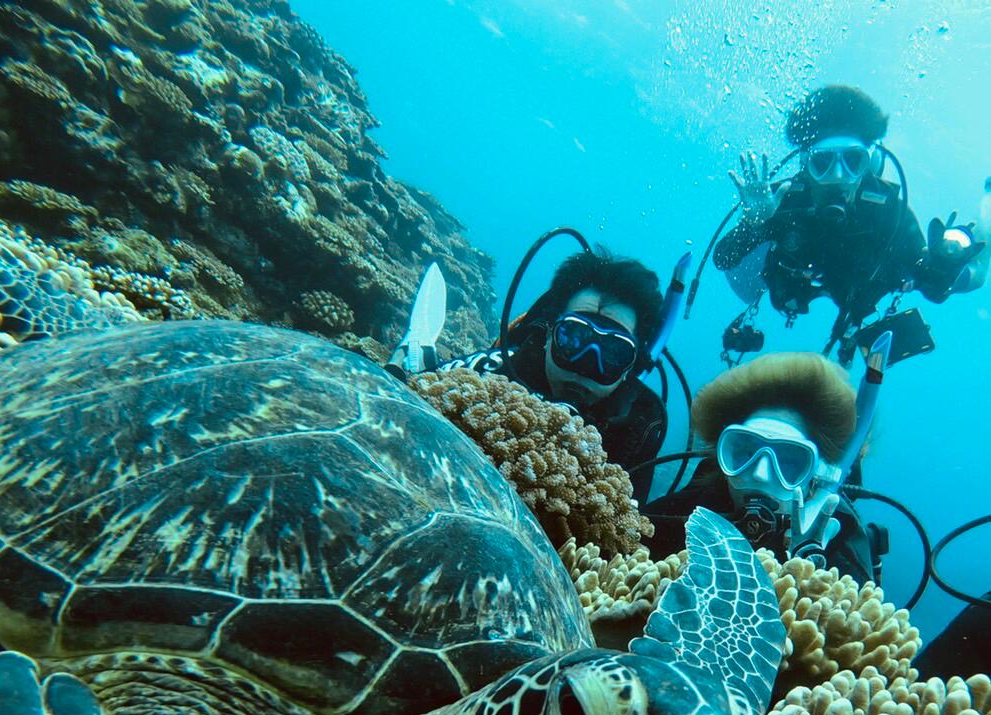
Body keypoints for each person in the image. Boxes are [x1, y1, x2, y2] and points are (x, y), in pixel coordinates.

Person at [713, 85, 985, 362]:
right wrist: (754, 224)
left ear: (867, 164)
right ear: (806, 165)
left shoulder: (889, 211)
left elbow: (934, 289)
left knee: (964, 276)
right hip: (795, 286)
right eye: (822, 162)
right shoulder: (783, 200)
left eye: (853, 161)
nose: (838, 176)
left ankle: (984, 243)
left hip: (861, 290)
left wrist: (945, 263)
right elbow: (723, 258)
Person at [413, 249, 671, 503]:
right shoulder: (497, 368)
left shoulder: (639, 428)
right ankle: (416, 350)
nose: (585, 365)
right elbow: (418, 389)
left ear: (630, 368)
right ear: (548, 336)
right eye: (573, 338)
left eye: (613, 352)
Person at [645, 351, 881, 583]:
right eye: (746, 452)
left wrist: (806, 573)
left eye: (789, 461)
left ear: (818, 475)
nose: (760, 474)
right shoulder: (683, 512)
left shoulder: (842, 555)